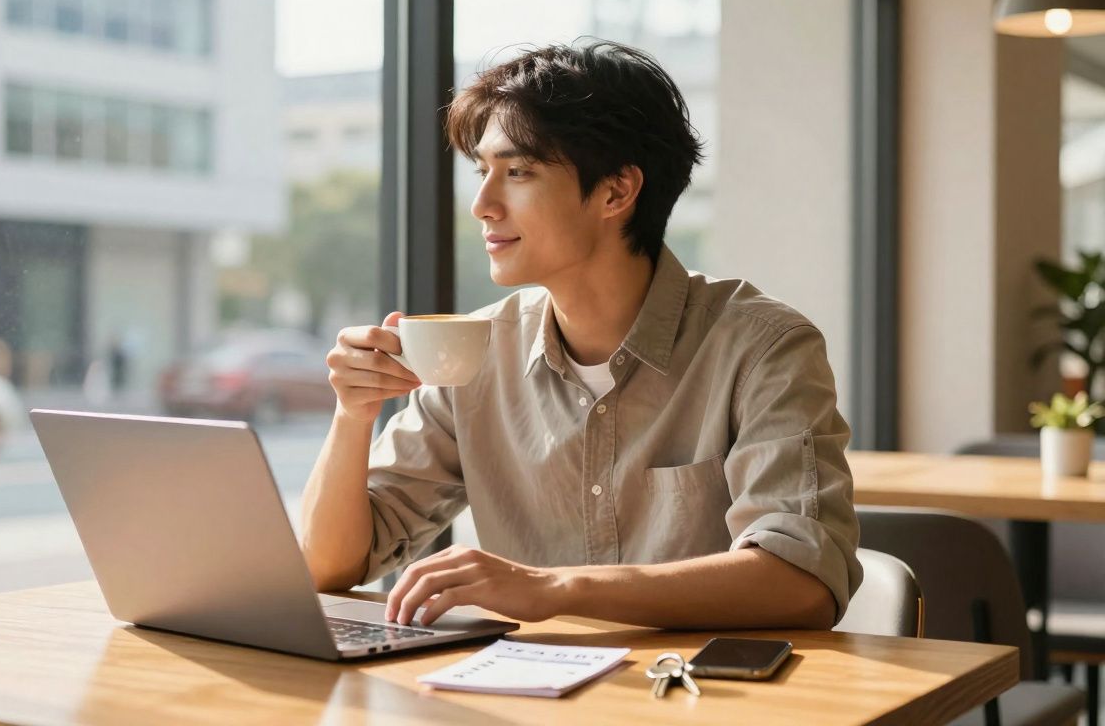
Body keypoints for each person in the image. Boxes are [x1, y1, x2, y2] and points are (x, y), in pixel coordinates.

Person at [299, 39, 861, 631]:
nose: (483, 205)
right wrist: (353, 415)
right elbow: (328, 566)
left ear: (617, 191)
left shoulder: (763, 347)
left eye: (517, 172)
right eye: (482, 172)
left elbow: (801, 580)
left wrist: (554, 588)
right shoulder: (479, 348)